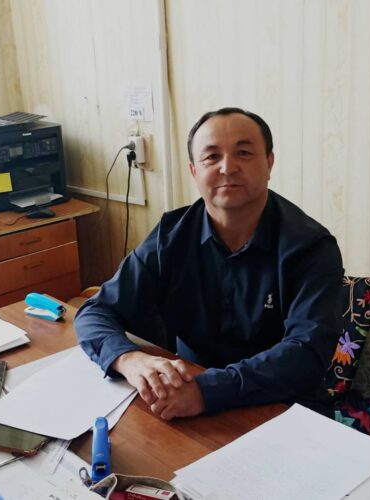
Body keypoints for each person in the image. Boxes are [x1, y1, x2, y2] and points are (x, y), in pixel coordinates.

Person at [75, 107, 343, 421]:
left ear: (269, 162)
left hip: (282, 406)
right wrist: (129, 360)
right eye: (212, 157)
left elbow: (306, 355)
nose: (227, 168)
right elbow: (95, 311)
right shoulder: (171, 236)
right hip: (186, 397)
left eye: (243, 153)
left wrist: (207, 391)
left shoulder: (311, 247)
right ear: (194, 171)